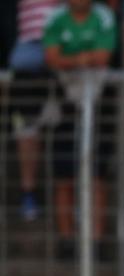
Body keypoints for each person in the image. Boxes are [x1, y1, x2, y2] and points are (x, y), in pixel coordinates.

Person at [43, 0, 116, 255]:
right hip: (65, 104)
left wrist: (70, 58)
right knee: (64, 174)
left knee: (97, 174)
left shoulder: (104, 17)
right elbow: (51, 58)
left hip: (98, 103)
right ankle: (66, 240)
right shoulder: (55, 18)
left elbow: (104, 56)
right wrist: (85, 58)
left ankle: (95, 241)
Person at [9, 0, 61, 222]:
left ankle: (75, 197)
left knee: (67, 131)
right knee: (27, 131)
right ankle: (28, 193)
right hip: (27, 58)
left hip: (65, 51)